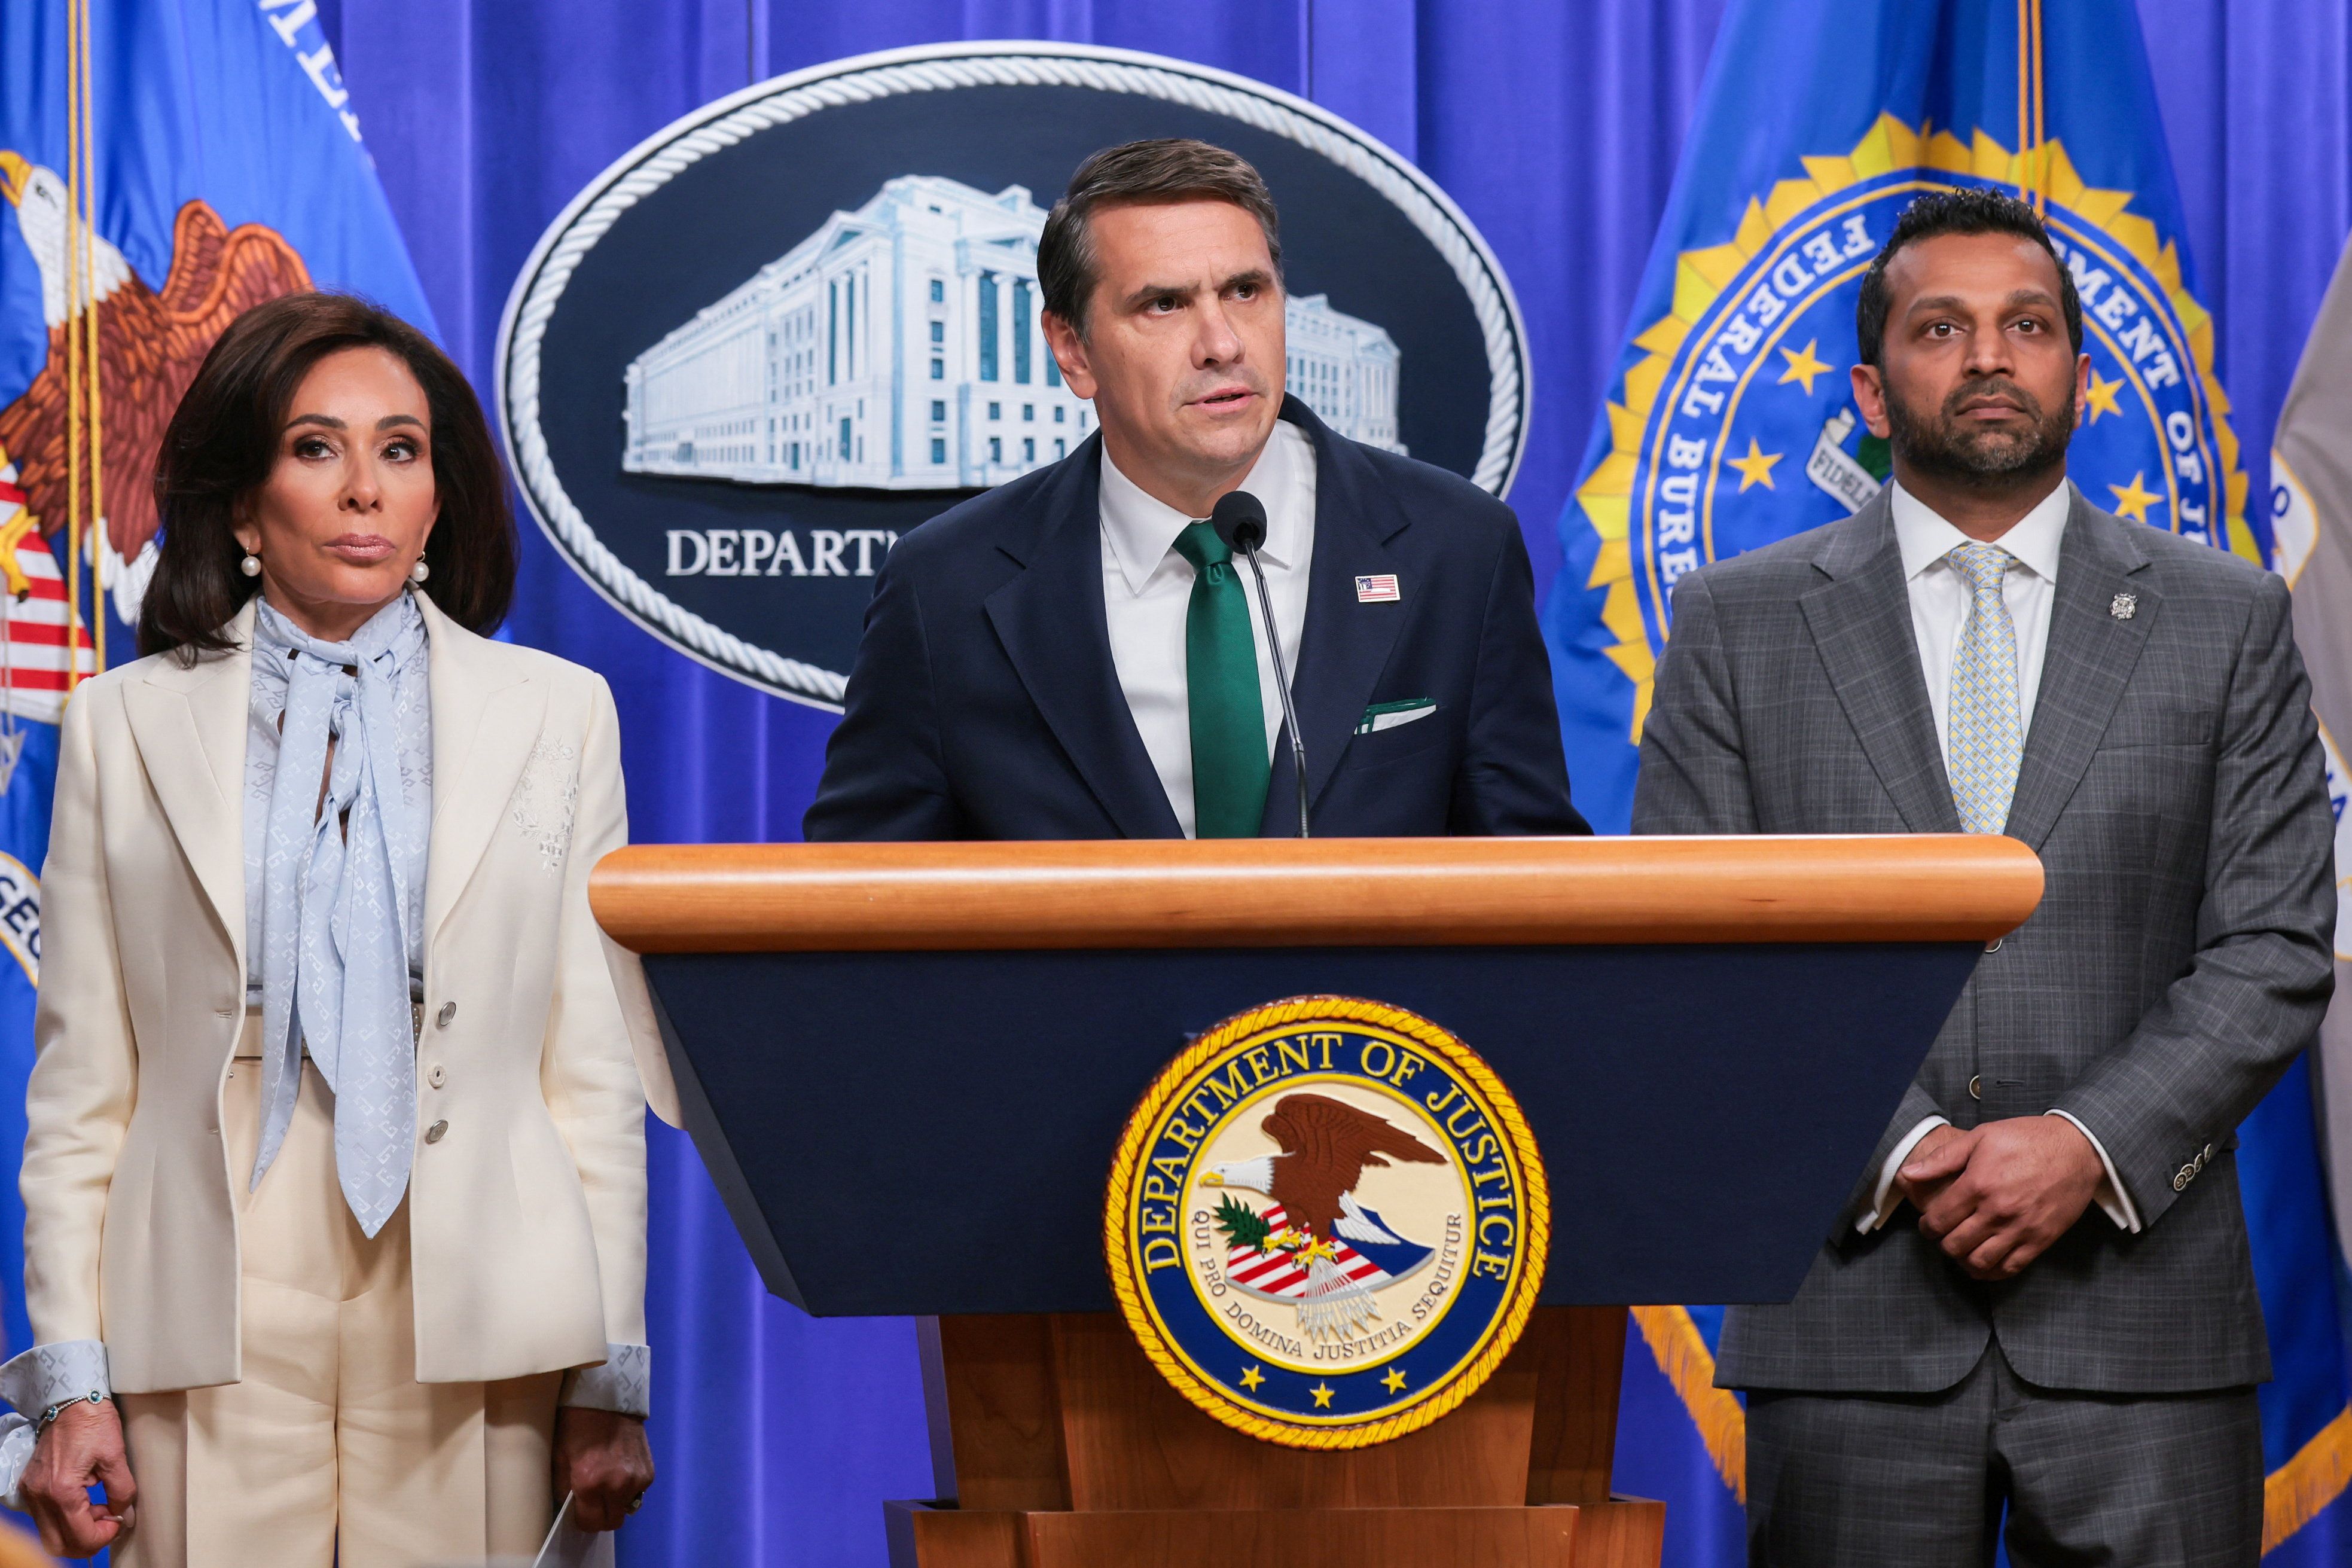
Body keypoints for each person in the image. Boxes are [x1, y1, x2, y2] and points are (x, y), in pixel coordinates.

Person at [1634, 187, 2333, 1565]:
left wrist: (2082, 1145)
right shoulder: (1737, 627)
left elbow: (2272, 948)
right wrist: (1897, 1153)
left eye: (2025, 325)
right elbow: (1691, 945)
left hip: (2143, 1330)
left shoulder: (2225, 620)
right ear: (1870, 389)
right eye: (1939, 327)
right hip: (1850, 1324)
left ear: (2079, 370)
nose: (1989, 358)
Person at [2, 292, 682, 1564]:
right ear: (246, 508)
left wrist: (611, 1372)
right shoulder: (121, 723)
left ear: (438, 499)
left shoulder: (558, 713)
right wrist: (71, 1379)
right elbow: (84, 1086)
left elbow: (589, 1071)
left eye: (401, 449)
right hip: (204, 1285)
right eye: (317, 448)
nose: (364, 486)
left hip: (479, 1286)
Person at [804, 138, 1585, 841]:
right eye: (1164, 304)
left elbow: (1532, 887)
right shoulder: (946, 585)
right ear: (1072, 350)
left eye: (1246, 291)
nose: (1221, 344)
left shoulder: (1453, 546)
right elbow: (859, 910)